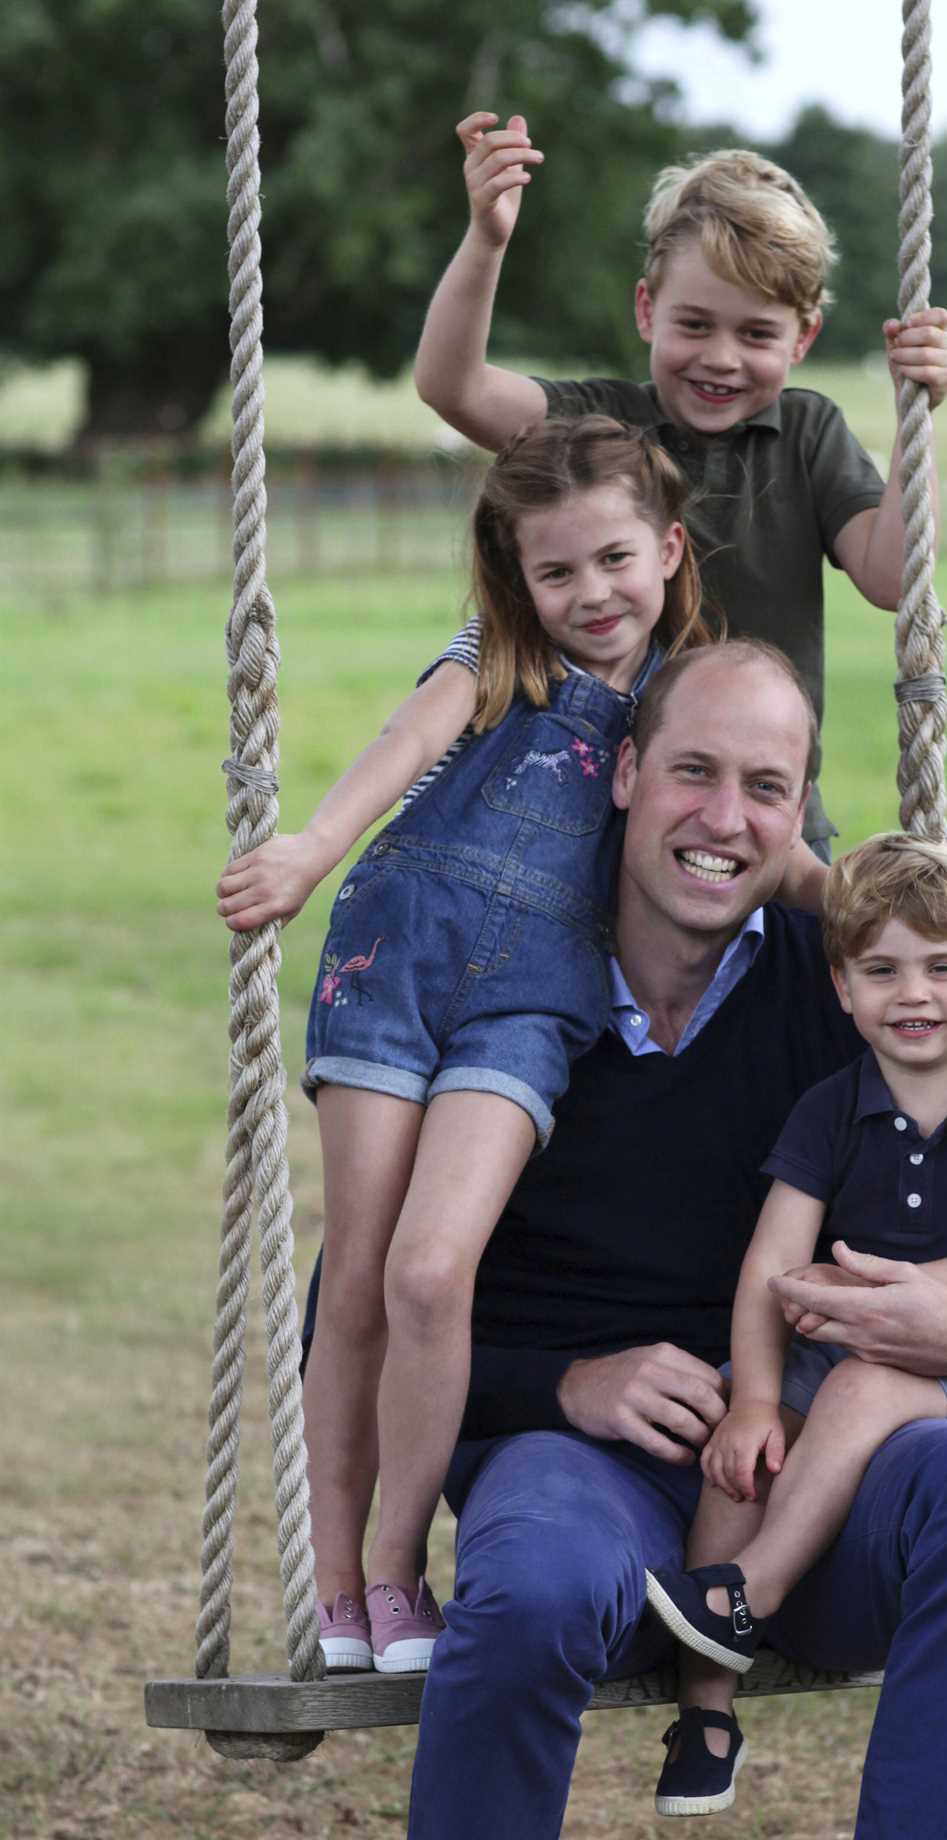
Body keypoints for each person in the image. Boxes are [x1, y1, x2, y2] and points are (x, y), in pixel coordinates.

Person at [372, 641, 947, 1840]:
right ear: (623, 773)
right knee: (535, 1581)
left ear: (797, 817)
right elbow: (353, 1319)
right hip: (588, 1471)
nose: (722, 820)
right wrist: (565, 1383)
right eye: (691, 772)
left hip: (819, 1485)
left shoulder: (842, 995)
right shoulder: (504, 993)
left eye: (765, 787)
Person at [215, 414, 727, 1677]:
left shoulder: (683, 692)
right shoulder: (497, 650)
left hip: (533, 997)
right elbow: (406, 744)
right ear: (518, 579)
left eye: (612, 560)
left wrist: (865, 905)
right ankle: (339, 1586)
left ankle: (398, 1565)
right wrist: (308, 849)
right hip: (395, 955)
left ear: (665, 548)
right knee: (359, 1277)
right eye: (556, 572)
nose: (589, 594)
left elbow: (740, 824)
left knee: (433, 1274)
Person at [643, 832, 947, 1816]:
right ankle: (705, 1708)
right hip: (826, 1341)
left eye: (942, 966)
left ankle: (749, 1588)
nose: (913, 993)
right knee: (736, 1455)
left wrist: (891, 1299)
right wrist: (754, 1401)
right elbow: (769, 1265)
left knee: (861, 1382)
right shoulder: (828, 1109)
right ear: (841, 987)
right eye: (881, 970)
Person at [413, 122, 947, 850]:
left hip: (766, 819)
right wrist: (487, 238)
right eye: (694, 324)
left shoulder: (807, 434)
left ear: (803, 339)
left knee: (804, 956)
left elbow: (894, 577)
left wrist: (914, 419)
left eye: (757, 335)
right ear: (647, 310)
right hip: (602, 822)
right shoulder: (600, 427)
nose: (721, 358)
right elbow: (453, 387)